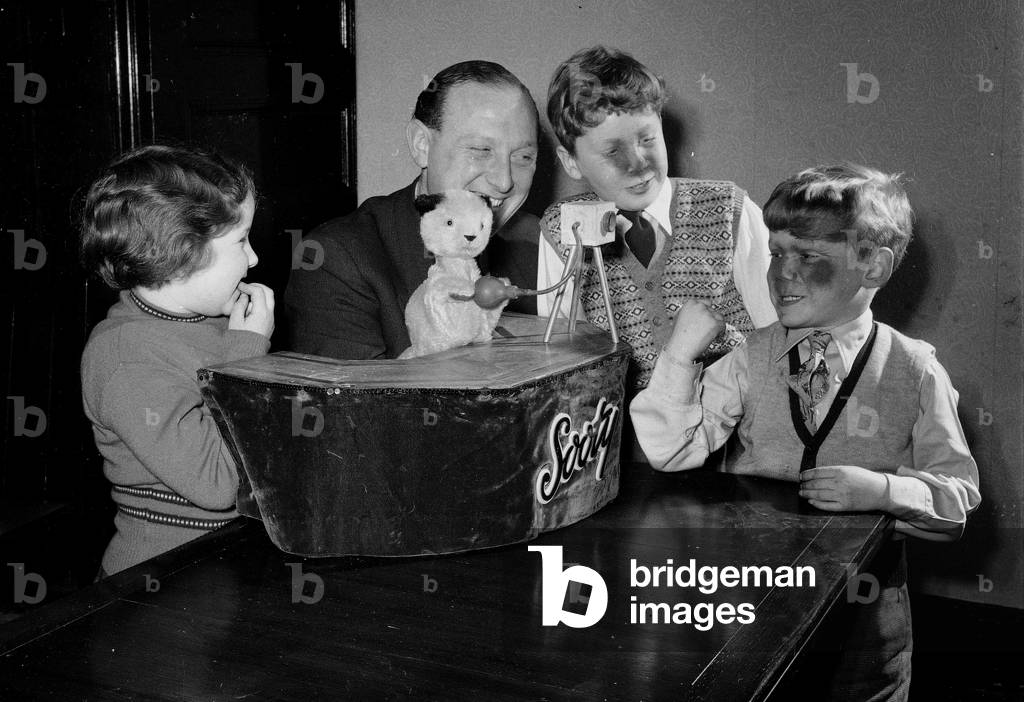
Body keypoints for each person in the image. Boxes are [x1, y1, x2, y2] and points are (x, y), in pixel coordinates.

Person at [630, 163, 981, 701]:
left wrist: (883, 492)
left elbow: (957, 500)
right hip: (750, 606)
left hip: (864, 622)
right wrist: (679, 355)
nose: (782, 273)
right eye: (776, 253)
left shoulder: (916, 371)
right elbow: (668, 449)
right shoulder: (751, 357)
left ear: (873, 265)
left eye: (809, 256)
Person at [79, 144, 275, 576]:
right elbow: (218, 484)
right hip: (164, 578)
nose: (254, 258)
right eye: (241, 241)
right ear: (183, 253)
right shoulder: (126, 356)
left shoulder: (210, 325)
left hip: (224, 561)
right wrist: (246, 354)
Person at [538, 46, 777, 391]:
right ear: (571, 161)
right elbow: (560, 360)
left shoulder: (728, 209)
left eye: (647, 139)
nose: (639, 165)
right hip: (619, 432)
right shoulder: (563, 229)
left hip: (736, 429)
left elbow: (775, 334)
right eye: (613, 151)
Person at [284, 60, 540, 359]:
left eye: (523, 157)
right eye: (481, 150)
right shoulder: (336, 259)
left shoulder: (535, 255)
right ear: (421, 145)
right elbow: (355, 404)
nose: (505, 181)